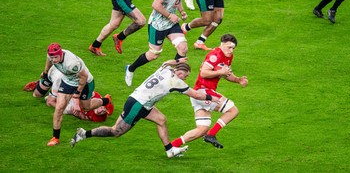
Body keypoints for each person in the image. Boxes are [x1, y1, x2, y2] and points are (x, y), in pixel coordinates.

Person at [70, 59, 219, 158]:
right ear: (179, 73)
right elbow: (196, 95)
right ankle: (84, 134)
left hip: (140, 101)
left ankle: (170, 150)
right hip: (138, 105)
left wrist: (179, 60)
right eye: (185, 76)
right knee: (116, 131)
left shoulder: (166, 68)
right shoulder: (176, 81)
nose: (185, 79)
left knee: (161, 120)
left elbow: (167, 61)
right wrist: (212, 98)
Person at [171, 34, 248, 149]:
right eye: (229, 47)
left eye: (233, 48)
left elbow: (226, 73)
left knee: (201, 129)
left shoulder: (228, 57)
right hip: (204, 91)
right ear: (222, 45)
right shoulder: (215, 55)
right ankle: (211, 134)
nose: (231, 50)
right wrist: (219, 73)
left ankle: (172, 146)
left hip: (199, 94)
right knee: (233, 110)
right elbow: (204, 73)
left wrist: (238, 80)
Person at [124, 0, 189, 87]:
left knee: (183, 48)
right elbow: (155, 5)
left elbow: (177, 0)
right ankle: (131, 69)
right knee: (153, 54)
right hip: (157, 24)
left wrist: (182, 11)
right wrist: (170, 16)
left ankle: (173, 78)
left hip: (171, 23)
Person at [44, 43, 113, 146]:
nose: (54, 60)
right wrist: (45, 73)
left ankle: (106, 100)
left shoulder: (72, 64)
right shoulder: (51, 56)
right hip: (68, 81)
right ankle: (55, 137)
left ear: (60, 54)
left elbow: (84, 77)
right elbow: (49, 62)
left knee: (86, 107)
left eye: (55, 57)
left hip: (85, 82)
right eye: (52, 57)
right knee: (59, 108)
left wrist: (77, 94)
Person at [23, 66, 114, 122]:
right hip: (57, 78)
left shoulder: (97, 115)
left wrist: (79, 115)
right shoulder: (91, 96)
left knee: (38, 95)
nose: (102, 110)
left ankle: (41, 83)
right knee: (45, 98)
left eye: (103, 109)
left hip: (65, 84)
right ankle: (43, 79)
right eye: (103, 107)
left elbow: (89, 117)